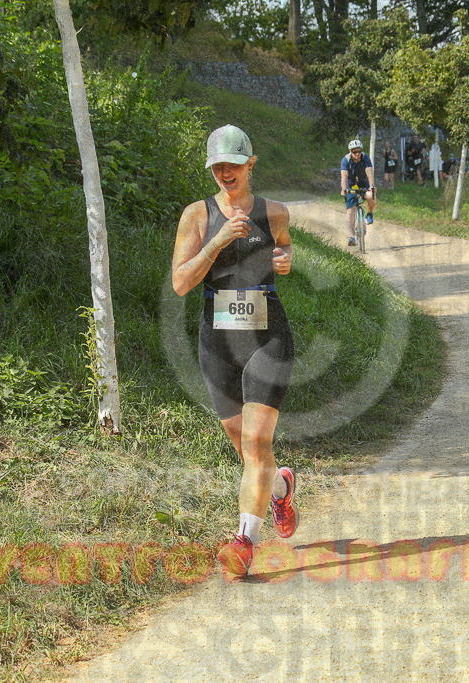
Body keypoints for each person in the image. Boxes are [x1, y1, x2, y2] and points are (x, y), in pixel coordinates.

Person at [171, 124, 299, 578]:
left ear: (250, 163)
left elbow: (283, 251)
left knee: (257, 441)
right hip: (218, 341)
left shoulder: (275, 212)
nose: (225, 172)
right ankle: (280, 487)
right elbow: (181, 282)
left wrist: (285, 260)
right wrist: (219, 240)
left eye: (233, 164)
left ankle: (244, 541)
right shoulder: (198, 215)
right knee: (245, 449)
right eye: (216, 166)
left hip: (268, 337)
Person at [340, 138, 376, 246]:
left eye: (359, 151)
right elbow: (344, 176)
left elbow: (369, 172)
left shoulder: (365, 158)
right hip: (351, 186)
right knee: (351, 211)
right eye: (354, 152)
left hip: (363, 183)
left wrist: (372, 186)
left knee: (371, 195)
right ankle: (351, 237)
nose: (357, 154)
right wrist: (343, 189)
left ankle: (369, 213)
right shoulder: (345, 160)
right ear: (350, 151)